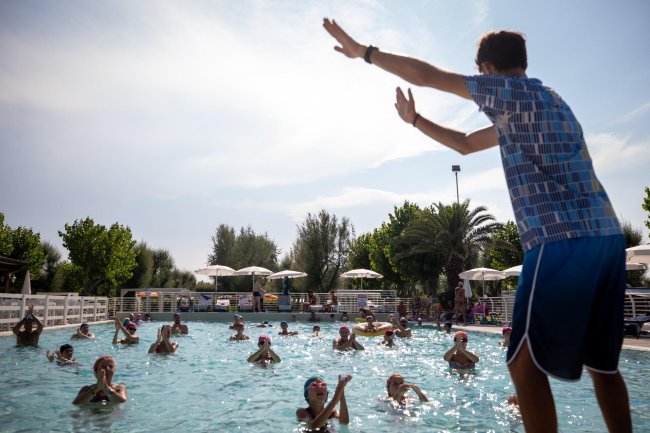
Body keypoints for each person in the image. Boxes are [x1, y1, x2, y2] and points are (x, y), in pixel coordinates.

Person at [324, 19, 631, 433]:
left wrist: (365, 52)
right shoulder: (548, 101)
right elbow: (467, 143)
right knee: (603, 366)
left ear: (487, 69)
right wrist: (416, 120)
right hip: (607, 238)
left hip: (561, 238)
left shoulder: (510, 92)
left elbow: (428, 76)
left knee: (522, 364)